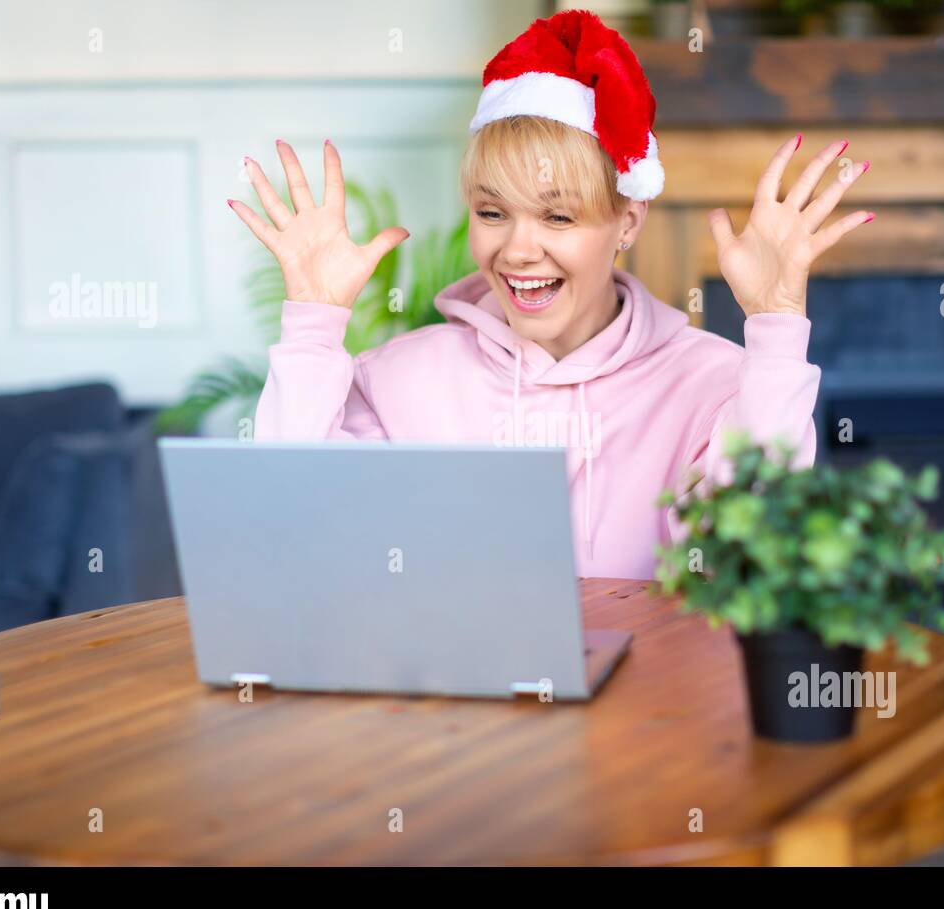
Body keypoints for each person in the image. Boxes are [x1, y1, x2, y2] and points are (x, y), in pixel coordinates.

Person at [228, 9, 873, 579]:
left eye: (558, 217)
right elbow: (297, 538)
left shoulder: (715, 382)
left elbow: (758, 561)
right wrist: (312, 325)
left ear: (628, 221)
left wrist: (776, 327)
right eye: (492, 212)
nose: (517, 250)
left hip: (658, 711)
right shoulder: (398, 381)